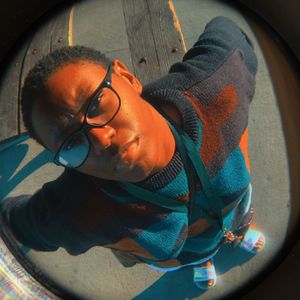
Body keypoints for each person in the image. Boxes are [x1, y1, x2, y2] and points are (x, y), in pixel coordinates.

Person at [0, 16, 265, 290]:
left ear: (126, 77)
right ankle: (202, 261)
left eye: (96, 103)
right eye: (71, 142)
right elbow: (19, 223)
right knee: (195, 254)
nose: (101, 139)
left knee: (239, 215)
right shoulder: (77, 207)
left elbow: (228, 30)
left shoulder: (216, 87)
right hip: (181, 256)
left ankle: (238, 232)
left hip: (236, 210)